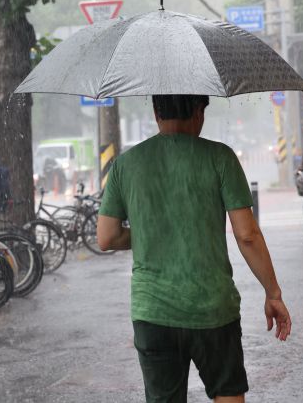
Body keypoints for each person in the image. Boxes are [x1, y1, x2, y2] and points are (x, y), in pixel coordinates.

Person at [96, 95, 291, 403]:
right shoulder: (220, 157)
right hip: (213, 309)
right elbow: (247, 235)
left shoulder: (125, 165)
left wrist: (153, 232)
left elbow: (106, 237)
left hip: (153, 312)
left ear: (156, 111)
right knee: (228, 396)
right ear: (199, 112)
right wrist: (273, 293)